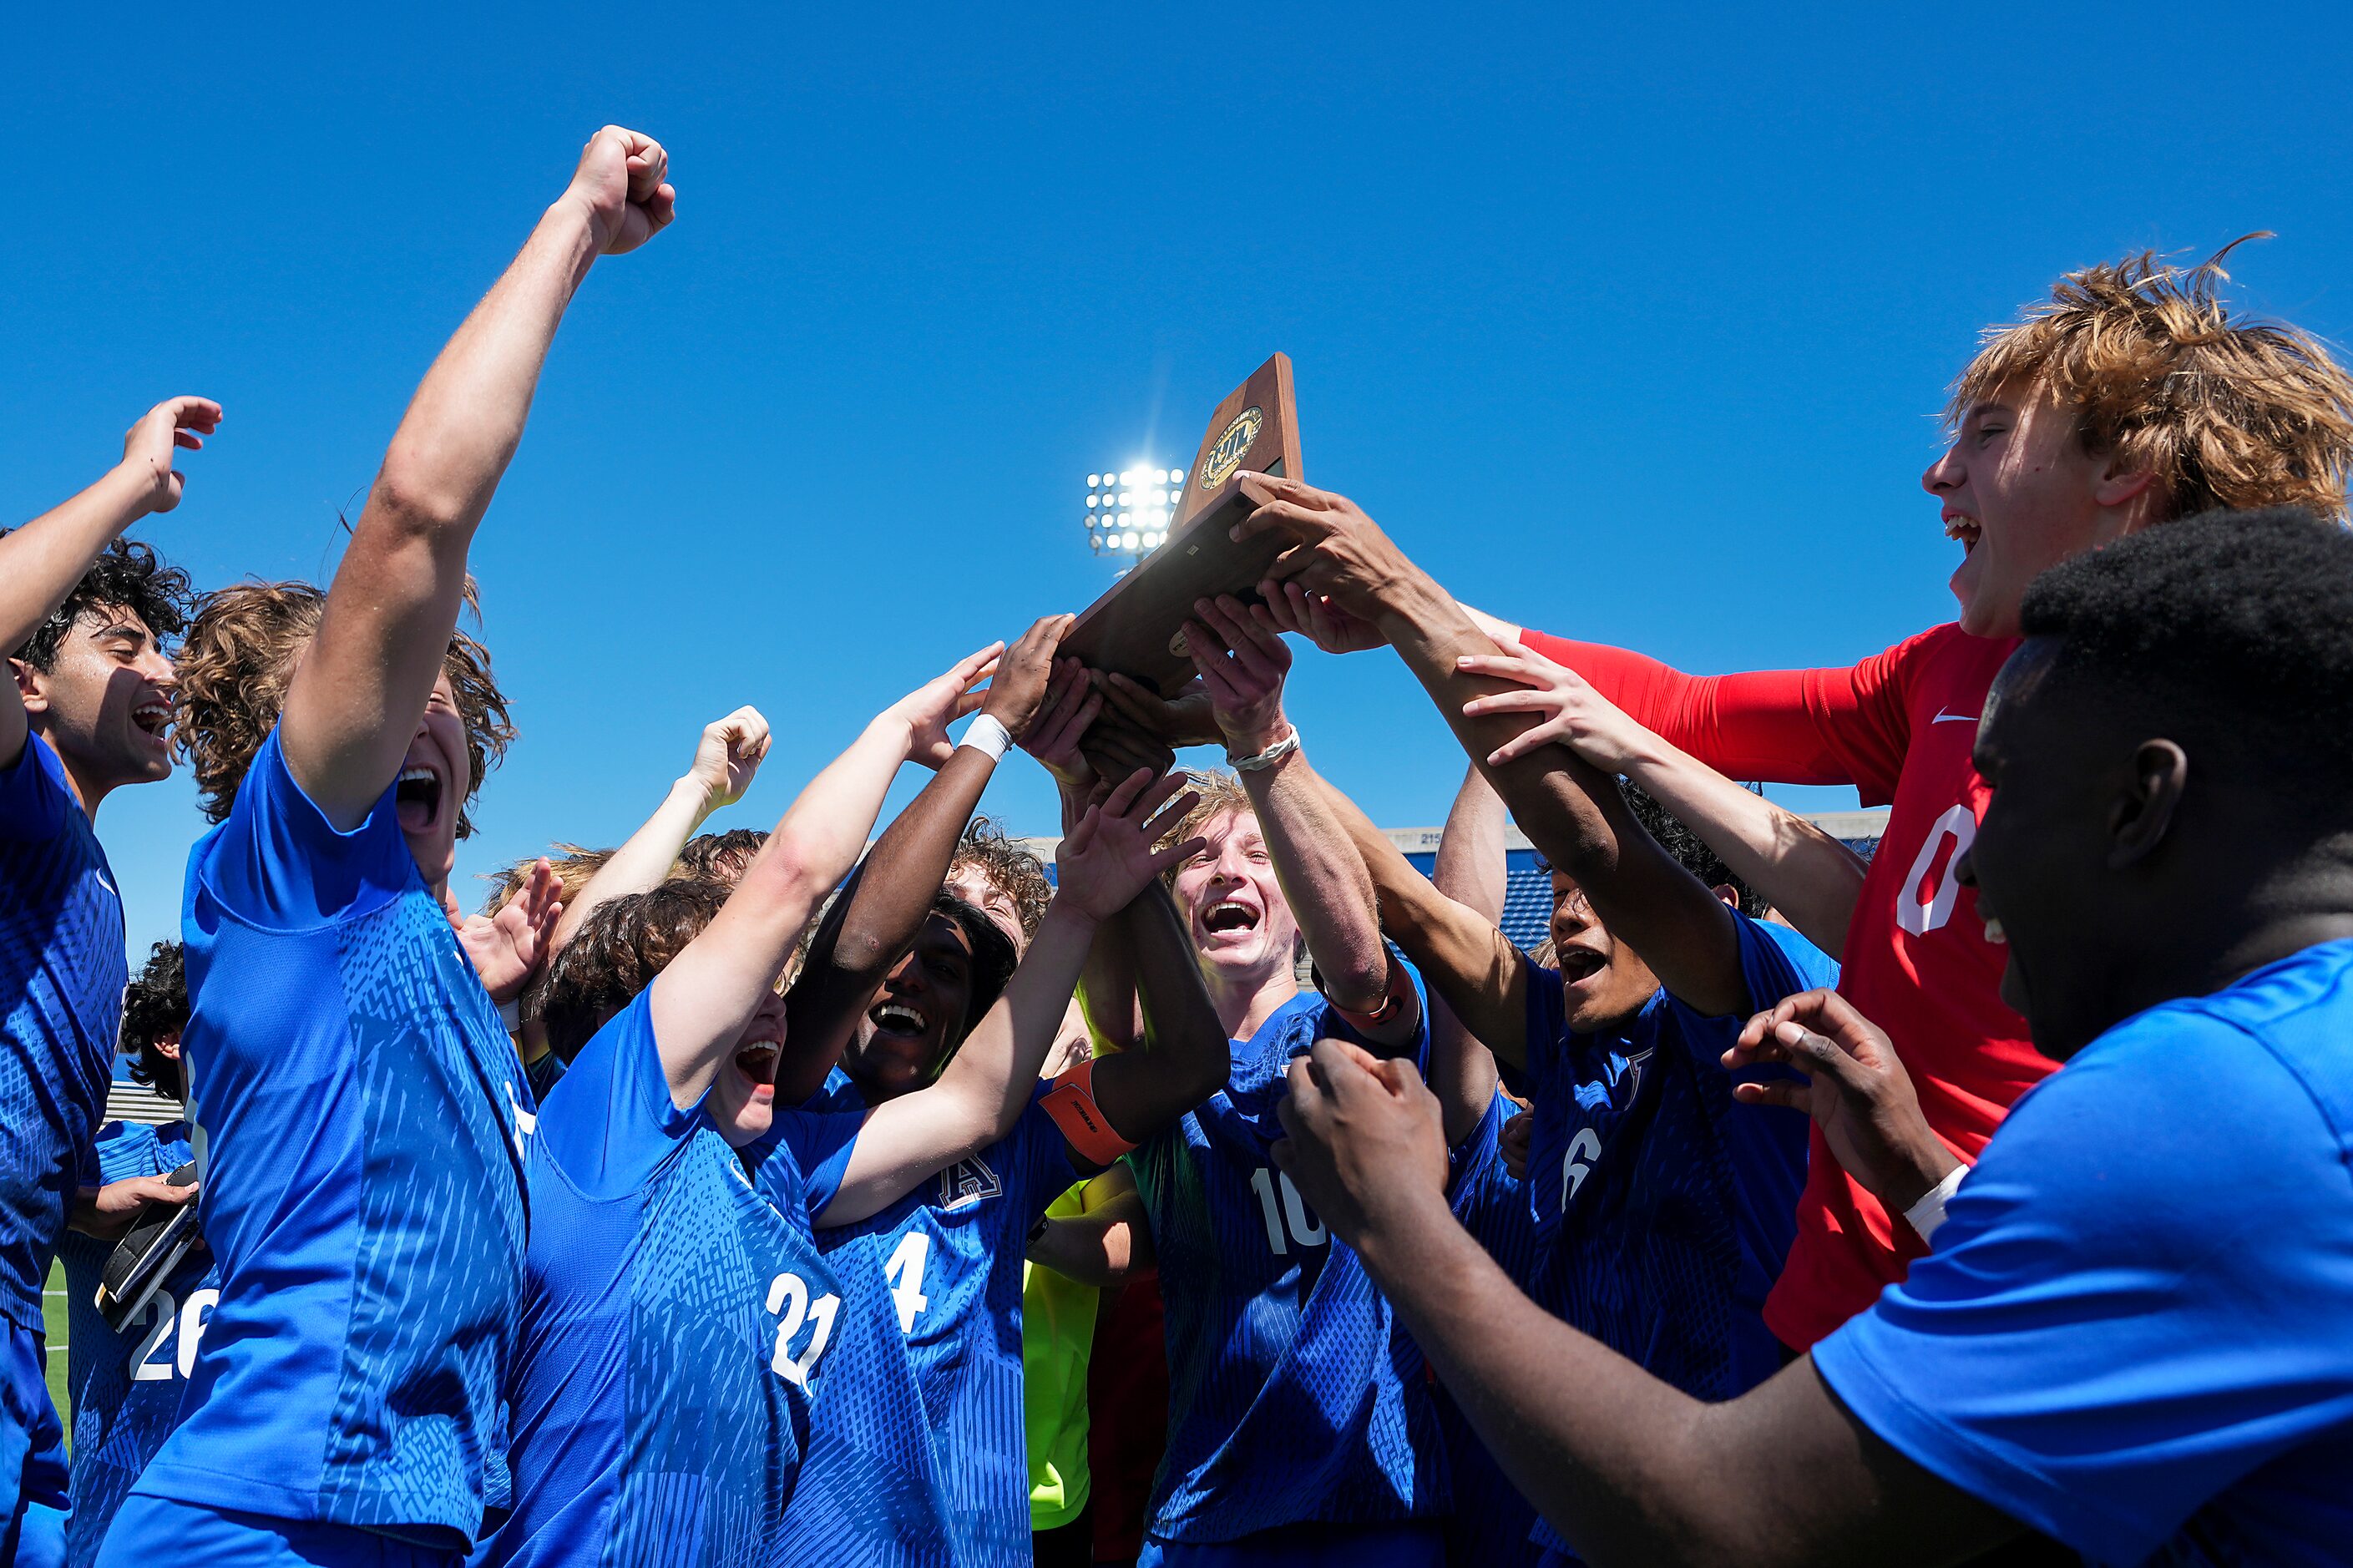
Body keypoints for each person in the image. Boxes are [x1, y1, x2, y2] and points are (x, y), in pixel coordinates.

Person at [1237, 245, 2353, 1351]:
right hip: (1838, 1296)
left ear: (2124, 465)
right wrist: (1403, 608)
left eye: (1987, 432)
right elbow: (1693, 715)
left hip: (2019, 1307)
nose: (1937, 473)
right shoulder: (1940, 669)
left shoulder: (2239, 756)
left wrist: (1407, 605)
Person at [1272, 508, 2353, 1566]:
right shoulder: (2298, 1061)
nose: (1961, 867)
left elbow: (1727, 1520)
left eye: (2001, 794)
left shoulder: (2211, 1108)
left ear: (2138, 803)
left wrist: (1392, 1214)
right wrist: (1924, 1175)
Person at [103, 127, 671, 1566]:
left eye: (446, 698)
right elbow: (420, 511)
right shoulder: (281, 854)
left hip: (402, 1523)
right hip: (269, 1518)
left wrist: (479, 980)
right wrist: (573, 226)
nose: (421, 713)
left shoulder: (393, 938)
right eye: (381, 687)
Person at [487, 669, 1182, 1568]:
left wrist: (1082, 907)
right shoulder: (610, 1133)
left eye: (780, 990)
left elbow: (971, 1105)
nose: (776, 1008)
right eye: (750, 983)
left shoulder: (784, 1164)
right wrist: (932, 730)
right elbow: (781, 887)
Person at [777, 621, 1230, 1568]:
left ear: (979, 1013)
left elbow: (1188, 1063)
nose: (904, 981)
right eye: (896, 958)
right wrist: (987, 734)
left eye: (945, 967)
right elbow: (852, 948)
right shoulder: (777, 1124)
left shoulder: (1017, 1147)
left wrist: (1123, 884)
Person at [1064, 598, 1446, 1568]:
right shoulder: (1160, 1064)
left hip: (1372, 1495)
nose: (1223, 871)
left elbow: (1362, 971)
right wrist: (1084, 778)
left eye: (1254, 852)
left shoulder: (1358, 1039)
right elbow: (1112, 999)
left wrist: (1256, 743)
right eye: (1194, 857)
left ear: (1296, 888)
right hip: (1204, 1509)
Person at [1, 397, 215, 1565]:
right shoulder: (19, 789)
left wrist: (106, 1197)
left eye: (161, 644)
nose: (166, 669)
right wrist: (131, 483)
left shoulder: (90, 868)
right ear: (27, 681)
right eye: (122, 643)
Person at [53, 942, 217, 1564]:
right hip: (110, 1523)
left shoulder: (293, 1164)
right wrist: (82, 1204)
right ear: (172, 1039)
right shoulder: (104, 1160)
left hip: (234, 1526)